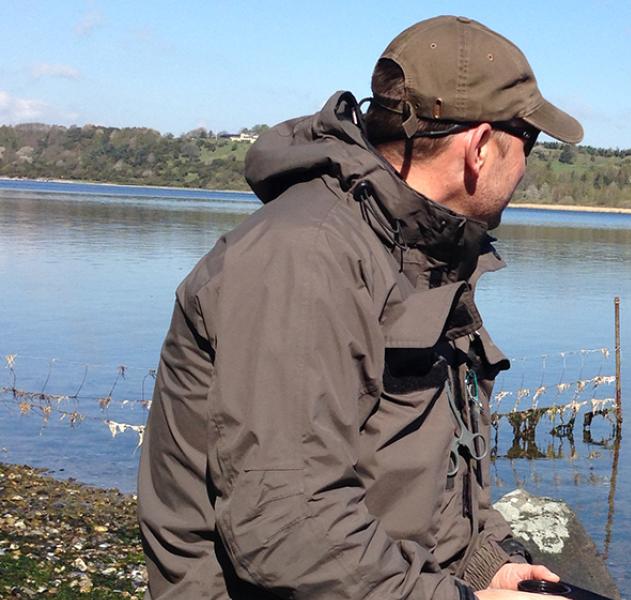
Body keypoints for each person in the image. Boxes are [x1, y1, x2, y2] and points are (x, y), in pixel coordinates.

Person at [137, 15, 583, 599]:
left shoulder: (417, 251)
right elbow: (283, 527)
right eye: (528, 143)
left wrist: (485, 567)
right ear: (479, 146)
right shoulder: (306, 258)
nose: (527, 165)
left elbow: (407, 466)